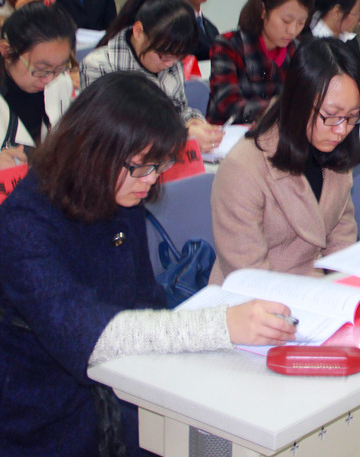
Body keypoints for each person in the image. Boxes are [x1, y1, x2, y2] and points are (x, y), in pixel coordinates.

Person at [0, 72, 297, 456]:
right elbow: (89, 336)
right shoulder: (23, 224)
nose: (152, 180)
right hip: (46, 418)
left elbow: (146, 300)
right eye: (143, 166)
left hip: (126, 390)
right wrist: (222, 326)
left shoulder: (120, 193)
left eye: (160, 165)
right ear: (95, 150)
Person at [210, 37, 360, 283]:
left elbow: (342, 242)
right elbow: (250, 278)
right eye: (331, 115)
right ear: (299, 101)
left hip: (319, 291)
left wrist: (350, 288)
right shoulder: (243, 169)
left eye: (352, 116)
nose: (341, 130)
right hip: (256, 298)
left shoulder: (335, 151)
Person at [80, 0, 223, 153]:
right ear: (138, 32)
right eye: (163, 56)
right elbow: (111, 130)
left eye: (178, 57)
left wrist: (193, 121)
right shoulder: (100, 65)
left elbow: (179, 109)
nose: (170, 64)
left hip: (166, 157)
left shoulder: (171, 58)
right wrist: (182, 134)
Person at [207, 0, 313, 125]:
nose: (292, 30)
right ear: (263, 11)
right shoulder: (229, 45)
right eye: (286, 20)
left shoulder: (297, 50)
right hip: (232, 133)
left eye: (300, 23)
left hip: (278, 132)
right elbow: (228, 106)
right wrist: (277, 108)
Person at [0, 2, 75, 170]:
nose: (49, 79)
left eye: (60, 68)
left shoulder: (60, 82)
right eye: (41, 70)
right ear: (7, 51)